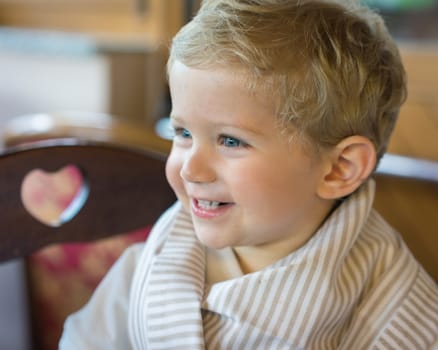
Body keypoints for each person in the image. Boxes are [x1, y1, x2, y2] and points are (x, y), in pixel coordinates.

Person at [59, 0, 438, 349]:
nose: (190, 168)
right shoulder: (153, 261)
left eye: (230, 141)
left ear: (340, 168)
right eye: (183, 133)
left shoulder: (397, 316)